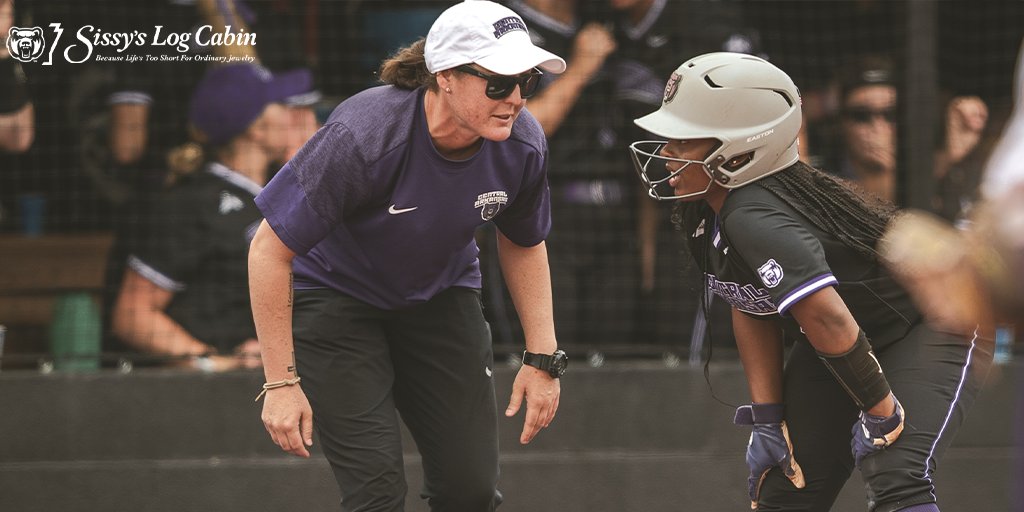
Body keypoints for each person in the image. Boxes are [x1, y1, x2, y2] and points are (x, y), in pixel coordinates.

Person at [628, 52, 992, 511]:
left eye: (683, 140)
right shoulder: (705, 205)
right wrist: (767, 419)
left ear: (738, 148)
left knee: (896, 473)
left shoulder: (754, 215)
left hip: (933, 320)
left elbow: (828, 317)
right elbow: (750, 304)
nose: (666, 153)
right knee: (786, 489)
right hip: (842, 345)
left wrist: (881, 414)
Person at [248, 2, 567, 510]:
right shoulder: (365, 135)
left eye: (526, 82)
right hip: (336, 300)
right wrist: (281, 381)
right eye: (497, 84)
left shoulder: (522, 144)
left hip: (439, 296)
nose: (515, 100)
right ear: (445, 77)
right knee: (376, 493)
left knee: (471, 490)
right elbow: (268, 250)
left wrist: (542, 358)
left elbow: (524, 241)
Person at [109, 63, 308, 371]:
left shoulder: (279, 197)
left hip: (278, 385)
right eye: (281, 104)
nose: (293, 113)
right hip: (214, 399)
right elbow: (133, 315)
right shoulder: (192, 202)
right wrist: (212, 362)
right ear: (256, 128)